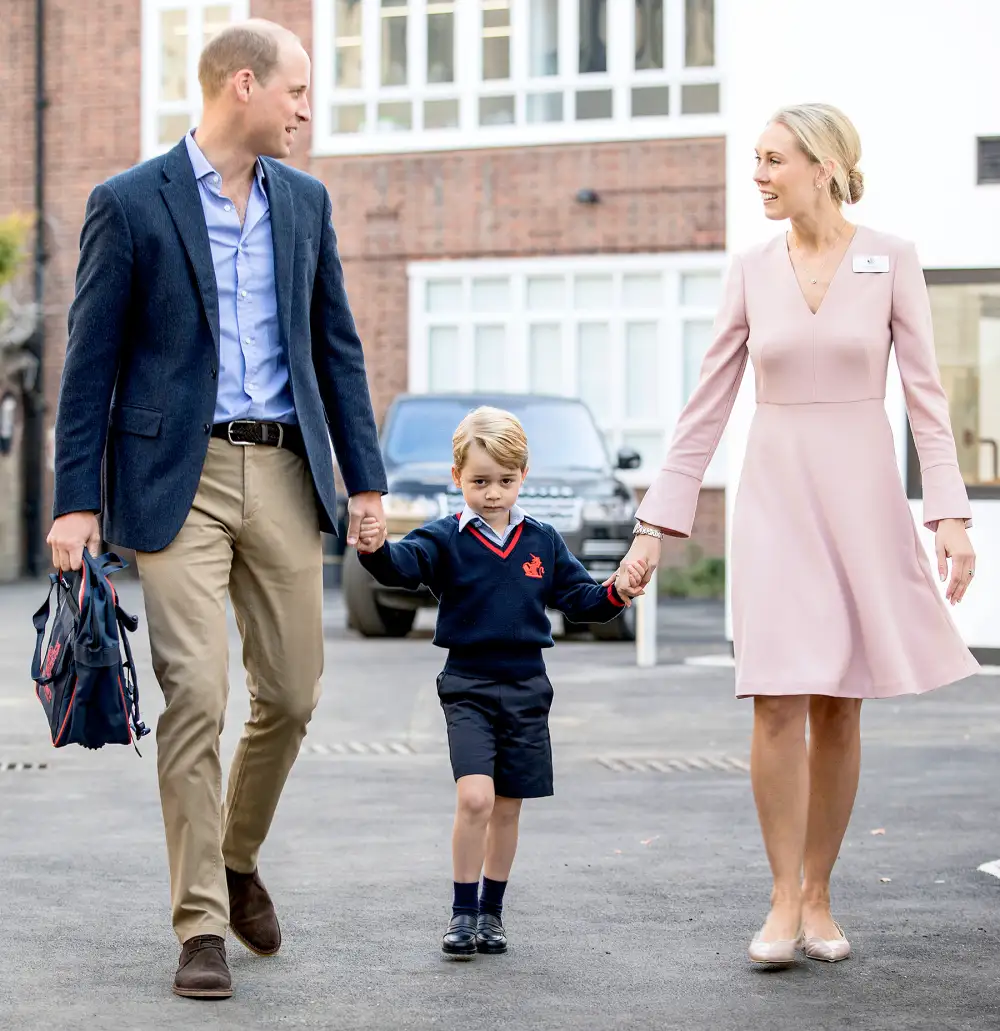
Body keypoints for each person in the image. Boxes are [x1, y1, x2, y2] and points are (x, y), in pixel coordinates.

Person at [46, 20, 387, 998]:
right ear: (244, 85)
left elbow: (338, 348)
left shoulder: (306, 204)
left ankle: (236, 859)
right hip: (173, 481)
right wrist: (76, 503)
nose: (307, 111)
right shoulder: (128, 202)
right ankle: (199, 921)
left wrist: (363, 482)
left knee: (292, 692)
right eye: (298, 92)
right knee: (196, 691)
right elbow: (89, 365)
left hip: (283, 471)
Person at [613, 103, 979, 966]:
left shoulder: (892, 259)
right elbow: (707, 404)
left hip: (860, 496)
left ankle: (820, 891)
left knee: (839, 701)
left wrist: (951, 514)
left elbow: (927, 398)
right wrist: (656, 524)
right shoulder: (750, 270)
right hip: (776, 498)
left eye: (773, 160)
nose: (760, 176)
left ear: (823, 163)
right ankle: (781, 898)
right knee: (776, 695)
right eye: (757, 160)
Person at [355, 406, 645, 959]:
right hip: (467, 685)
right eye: (480, 481)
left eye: (505, 481)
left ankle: (491, 914)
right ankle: (463, 913)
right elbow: (403, 565)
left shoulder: (542, 541)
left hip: (527, 689)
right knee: (475, 798)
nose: (493, 493)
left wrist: (618, 590)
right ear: (457, 477)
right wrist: (374, 549)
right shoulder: (444, 539)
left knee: (508, 807)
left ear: (523, 477)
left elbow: (581, 602)